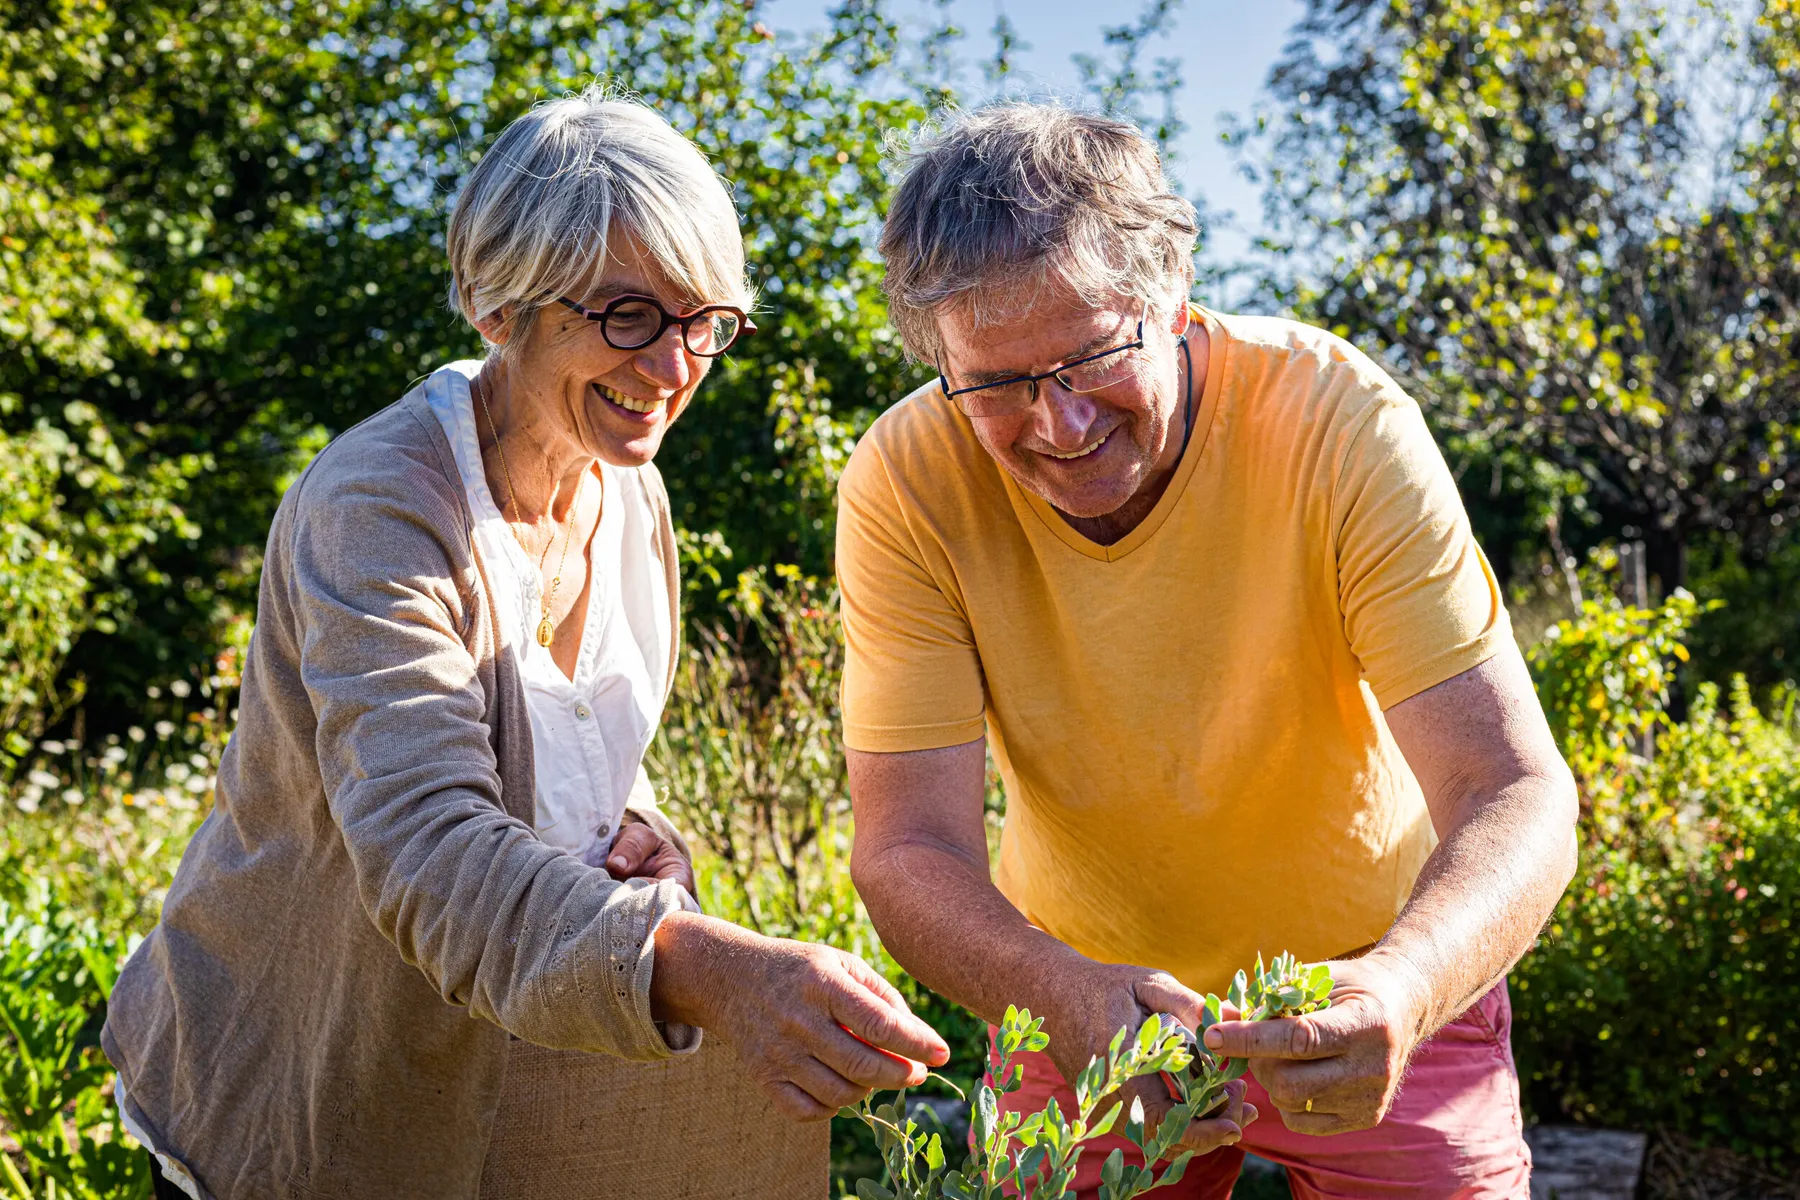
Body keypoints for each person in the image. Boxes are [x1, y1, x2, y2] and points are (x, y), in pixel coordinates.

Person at [102, 87, 946, 1200]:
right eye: (626, 315)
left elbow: (577, 733)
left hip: (504, 1083)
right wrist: (696, 962)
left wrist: (635, 830)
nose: (674, 368)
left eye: (703, 320)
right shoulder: (379, 508)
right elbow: (428, 848)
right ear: (496, 306)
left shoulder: (628, 491)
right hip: (300, 1079)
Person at [837, 101, 1578, 1198]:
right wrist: (1062, 994)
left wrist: (1407, 986)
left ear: (1173, 297)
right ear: (941, 360)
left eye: (1093, 358)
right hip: (1077, 988)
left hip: (1377, 968)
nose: (1061, 425)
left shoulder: (1338, 419)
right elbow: (908, 848)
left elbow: (1513, 789)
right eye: (996, 386)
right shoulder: (907, 481)